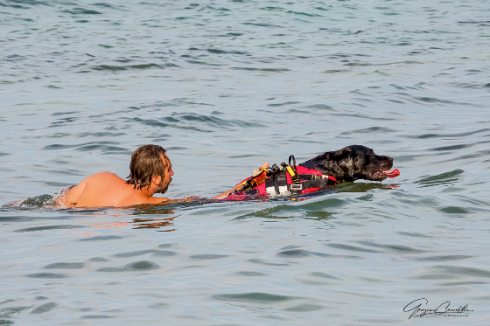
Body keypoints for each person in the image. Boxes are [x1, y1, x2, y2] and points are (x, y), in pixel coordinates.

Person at [57, 144, 180, 208]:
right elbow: (190, 202)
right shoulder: (150, 202)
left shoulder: (102, 177)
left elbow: (60, 201)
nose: (172, 173)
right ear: (155, 179)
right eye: (168, 169)